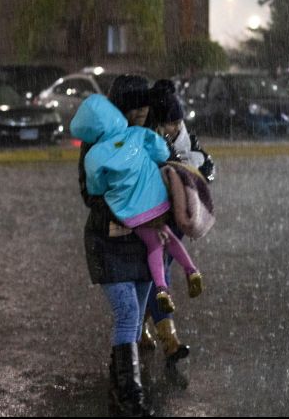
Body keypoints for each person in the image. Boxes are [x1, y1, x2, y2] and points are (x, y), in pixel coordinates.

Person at [76, 74, 165, 416]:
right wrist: (125, 215)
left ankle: (120, 382)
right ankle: (130, 395)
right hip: (109, 240)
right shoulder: (97, 142)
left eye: (145, 107)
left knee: (136, 316)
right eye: (135, 107)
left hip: (142, 243)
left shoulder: (147, 135)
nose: (141, 113)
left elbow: (172, 165)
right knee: (127, 313)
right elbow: (90, 195)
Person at [72, 91, 204, 316]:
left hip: (132, 213)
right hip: (157, 202)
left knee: (154, 245)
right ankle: (191, 269)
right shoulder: (137, 134)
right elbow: (161, 151)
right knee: (167, 237)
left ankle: (161, 288)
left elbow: (96, 188)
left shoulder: (94, 155)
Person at [139, 84, 216, 375]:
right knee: (158, 276)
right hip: (153, 217)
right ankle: (169, 340)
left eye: (177, 121)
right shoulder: (148, 141)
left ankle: (140, 327)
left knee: (155, 276)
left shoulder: (188, 140)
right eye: (169, 122)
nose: (174, 127)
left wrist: (194, 168)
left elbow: (208, 168)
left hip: (178, 218)